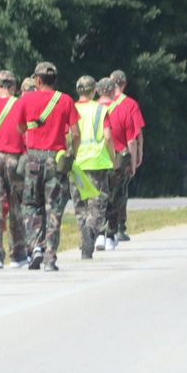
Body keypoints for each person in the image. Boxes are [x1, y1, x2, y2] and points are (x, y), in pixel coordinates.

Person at [18, 61, 80, 271]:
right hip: (56, 158)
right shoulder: (65, 100)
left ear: (37, 80)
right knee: (54, 209)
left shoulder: (26, 99)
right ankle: (50, 257)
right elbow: (76, 133)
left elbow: (20, 127)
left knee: (31, 205)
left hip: (34, 157)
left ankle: (36, 246)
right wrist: (72, 153)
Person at [0, 70, 29, 269]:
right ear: (15, 87)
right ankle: (17, 254)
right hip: (15, 158)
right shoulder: (21, 105)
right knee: (16, 206)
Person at [70, 75, 114, 259]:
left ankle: (85, 246)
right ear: (94, 90)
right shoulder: (100, 110)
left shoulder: (70, 109)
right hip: (96, 163)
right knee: (97, 206)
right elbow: (108, 137)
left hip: (76, 163)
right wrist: (113, 159)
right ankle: (90, 233)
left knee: (80, 207)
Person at [97, 76, 137, 251]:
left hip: (96, 160)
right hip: (118, 161)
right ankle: (110, 235)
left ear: (97, 91)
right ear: (114, 91)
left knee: (97, 199)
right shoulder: (123, 111)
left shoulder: (92, 110)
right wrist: (133, 162)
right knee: (115, 198)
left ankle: (98, 232)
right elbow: (132, 141)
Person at [108, 69, 145, 241]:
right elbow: (136, 134)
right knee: (121, 192)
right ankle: (120, 227)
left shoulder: (101, 103)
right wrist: (138, 154)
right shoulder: (130, 104)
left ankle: (104, 227)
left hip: (102, 154)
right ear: (124, 84)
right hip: (122, 153)